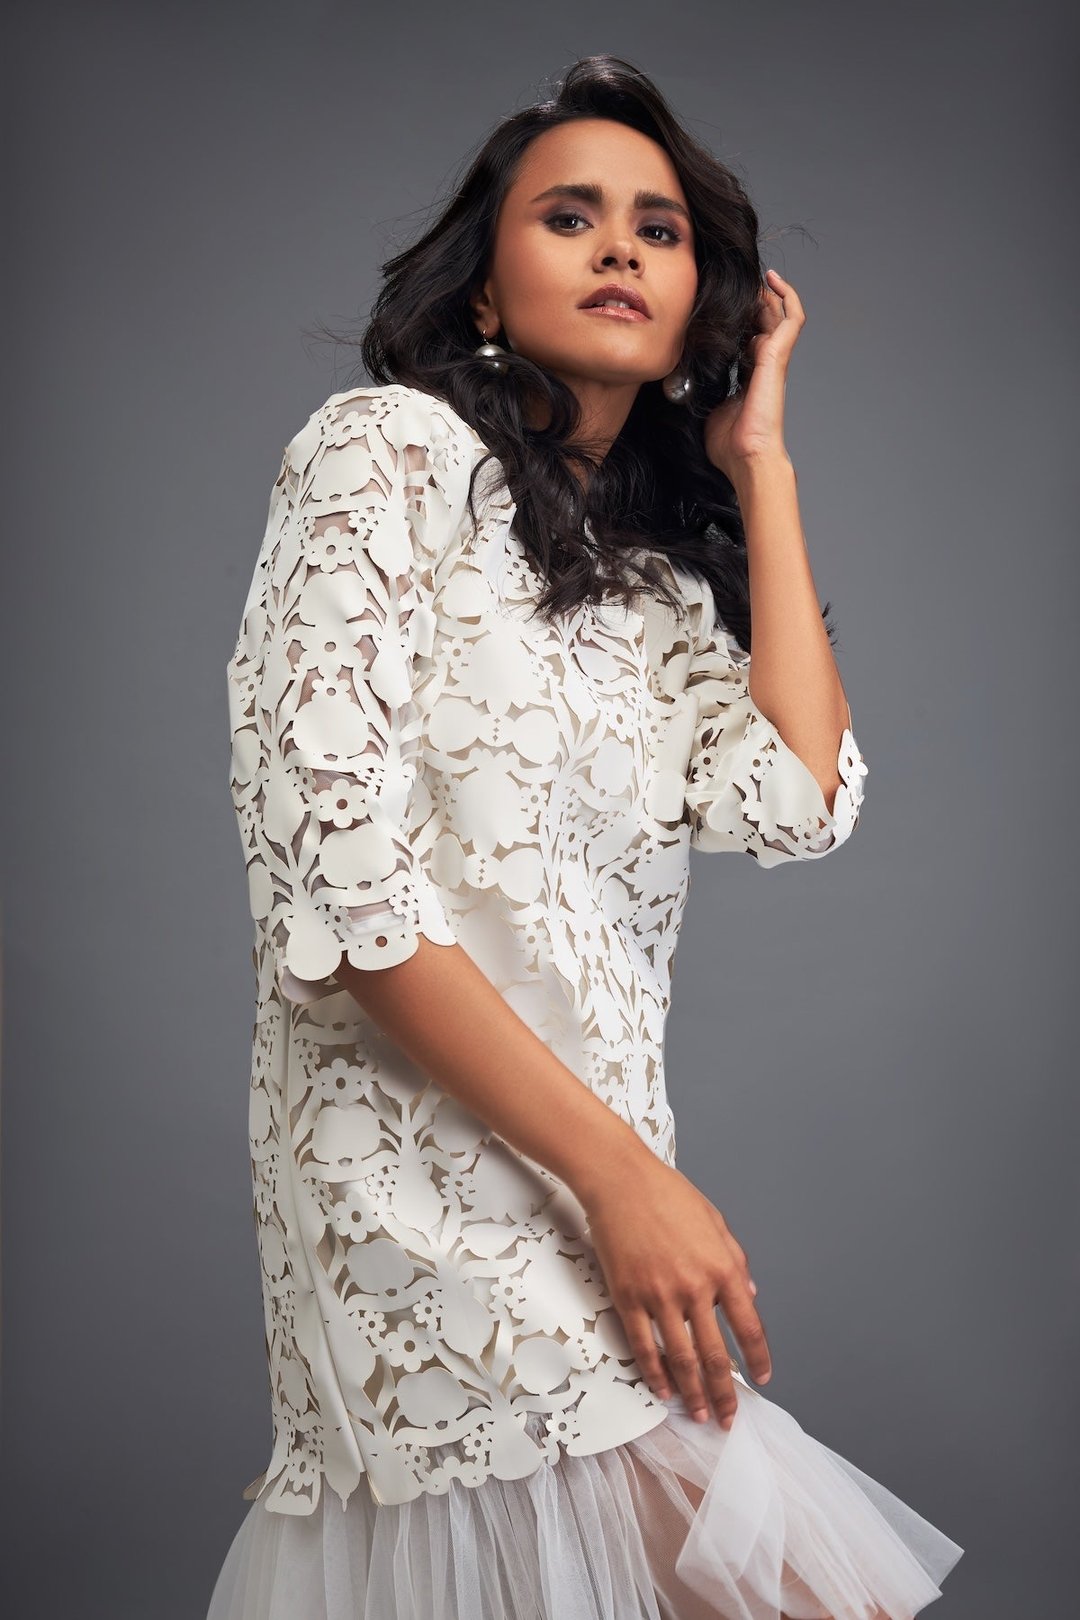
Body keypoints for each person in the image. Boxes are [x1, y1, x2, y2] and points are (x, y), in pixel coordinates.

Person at [207, 53, 964, 1620]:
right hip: (430, 1195)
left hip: (602, 1192)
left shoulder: (648, 589)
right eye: (570, 216)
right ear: (487, 285)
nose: (620, 247)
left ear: (699, 304)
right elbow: (342, 892)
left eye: (659, 230)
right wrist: (624, 1183)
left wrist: (759, 461)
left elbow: (802, 803)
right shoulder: (380, 452)